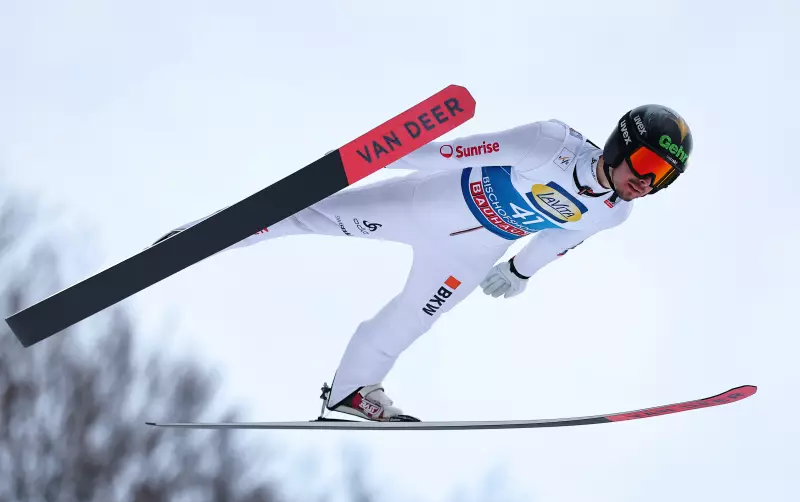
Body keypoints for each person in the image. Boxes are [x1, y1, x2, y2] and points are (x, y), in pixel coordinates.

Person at [156, 104, 693, 422]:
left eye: (664, 176)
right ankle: (201, 238)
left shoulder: (613, 213)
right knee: (308, 215)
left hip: (470, 253)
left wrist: (520, 271)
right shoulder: (549, 145)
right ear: (621, 144)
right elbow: (457, 151)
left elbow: (561, 237)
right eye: (647, 162)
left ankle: (351, 392)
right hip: (426, 205)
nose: (647, 181)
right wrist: (383, 155)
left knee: (412, 320)